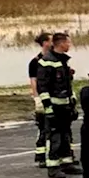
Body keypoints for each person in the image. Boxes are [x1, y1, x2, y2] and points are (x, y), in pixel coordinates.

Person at [37, 32, 81, 178]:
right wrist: (48, 108)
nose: (69, 45)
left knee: (66, 135)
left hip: (65, 106)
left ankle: (67, 163)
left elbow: (67, 85)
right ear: (61, 43)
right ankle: (53, 166)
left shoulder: (63, 61)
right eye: (68, 43)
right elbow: (42, 87)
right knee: (54, 137)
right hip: (54, 107)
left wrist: (72, 102)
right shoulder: (47, 61)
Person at [28, 32, 51, 167]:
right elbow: (33, 81)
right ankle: (41, 155)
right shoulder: (35, 62)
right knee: (43, 126)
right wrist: (37, 98)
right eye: (51, 40)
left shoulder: (56, 59)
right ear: (44, 43)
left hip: (53, 96)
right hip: (41, 97)